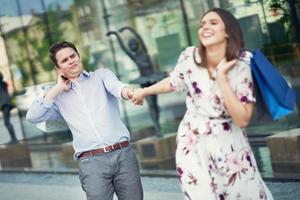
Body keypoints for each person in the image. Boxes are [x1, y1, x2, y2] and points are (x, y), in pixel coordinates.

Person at [131, 8, 274, 200]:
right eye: (202, 24)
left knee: (241, 191)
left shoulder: (242, 63)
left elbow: (242, 119)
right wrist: (144, 91)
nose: (205, 27)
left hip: (229, 140)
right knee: (200, 194)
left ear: (228, 31)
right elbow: (174, 81)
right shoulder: (190, 56)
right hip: (193, 139)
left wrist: (222, 78)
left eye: (213, 23)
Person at [26, 41, 143, 200]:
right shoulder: (56, 96)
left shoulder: (101, 76)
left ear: (79, 56)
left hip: (123, 155)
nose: (71, 61)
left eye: (72, 56)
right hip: (91, 163)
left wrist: (130, 93)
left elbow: (117, 87)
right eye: (64, 60)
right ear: (58, 69)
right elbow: (33, 116)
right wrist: (58, 88)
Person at [107, 27, 163, 137]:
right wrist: (116, 34)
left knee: (155, 104)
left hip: (152, 78)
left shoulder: (144, 51)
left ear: (137, 44)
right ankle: (157, 128)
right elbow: (123, 47)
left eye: (133, 44)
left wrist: (129, 29)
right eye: (130, 46)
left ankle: (158, 126)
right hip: (144, 80)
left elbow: (139, 37)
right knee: (151, 104)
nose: (132, 47)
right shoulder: (134, 56)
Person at [0, 72, 17, 144]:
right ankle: (14, 139)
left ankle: (14, 139)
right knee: (7, 122)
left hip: (5, 104)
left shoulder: (2, 84)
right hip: (6, 104)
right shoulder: (3, 84)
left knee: (7, 122)